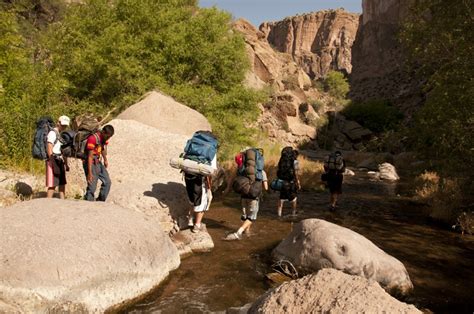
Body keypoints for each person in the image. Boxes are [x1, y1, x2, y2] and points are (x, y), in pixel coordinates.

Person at [225, 167, 268, 241]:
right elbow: (266, 187)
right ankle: (239, 232)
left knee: (246, 216)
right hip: (254, 198)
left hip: (243, 197)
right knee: (251, 218)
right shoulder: (261, 172)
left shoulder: (244, 169)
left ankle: (247, 232)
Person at [185, 154, 217, 233]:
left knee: (191, 197)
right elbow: (212, 170)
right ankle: (197, 225)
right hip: (201, 178)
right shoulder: (211, 148)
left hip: (188, 174)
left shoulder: (194, 142)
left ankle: (190, 219)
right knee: (202, 202)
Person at [83, 125, 114, 201]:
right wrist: (90, 173)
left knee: (107, 182)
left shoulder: (103, 138)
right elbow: (90, 157)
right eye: (107, 136)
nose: (108, 138)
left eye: (109, 137)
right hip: (90, 163)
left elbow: (102, 148)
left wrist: (105, 160)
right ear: (103, 132)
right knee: (92, 186)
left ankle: (100, 201)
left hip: (98, 162)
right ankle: (88, 202)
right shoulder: (92, 139)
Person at [46, 115, 70, 199]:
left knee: (62, 183)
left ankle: (62, 201)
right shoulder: (52, 133)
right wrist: (53, 163)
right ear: (58, 123)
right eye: (62, 125)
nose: (64, 127)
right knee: (52, 184)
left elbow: (63, 151)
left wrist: (66, 164)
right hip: (53, 159)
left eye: (65, 125)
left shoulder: (61, 134)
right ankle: (48, 202)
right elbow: (49, 147)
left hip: (60, 160)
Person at [276, 147, 300, 217]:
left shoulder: (281, 161)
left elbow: (278, 170)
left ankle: (279, 214)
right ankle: (293, 212)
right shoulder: (295, 161)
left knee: (281, 198)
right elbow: (296, 173)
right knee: (294, 197)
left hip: (282, 181)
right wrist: (298, 182)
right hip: (291, 181)